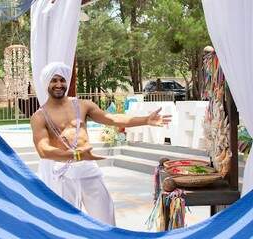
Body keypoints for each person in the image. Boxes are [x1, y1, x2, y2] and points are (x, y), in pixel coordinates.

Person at [31, 62, 171, 226]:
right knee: (67, 225)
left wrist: (145, 120)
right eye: (54, 80)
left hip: (88, 169)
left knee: (105, 220)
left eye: (62, 80)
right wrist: (75, 154)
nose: (59, 84)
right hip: (64, 176)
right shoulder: (39, 116)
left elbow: (112, 119)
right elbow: (44, 150)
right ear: (46, 83)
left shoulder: (82, 105)